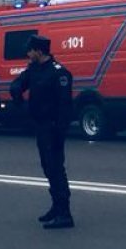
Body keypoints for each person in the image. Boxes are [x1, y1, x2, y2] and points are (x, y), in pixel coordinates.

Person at [10, 33, 75, 229]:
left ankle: (65, 213)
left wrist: (60, 128)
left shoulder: (59, 73)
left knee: (56, 168)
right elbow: (17, 85)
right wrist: (21, 104)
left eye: (30, 51)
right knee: (47, 168)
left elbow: (65, 104)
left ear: (39, 51)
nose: (28, 54)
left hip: (53, 127)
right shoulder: (34, 70)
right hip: (40, 126)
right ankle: (55, 207)